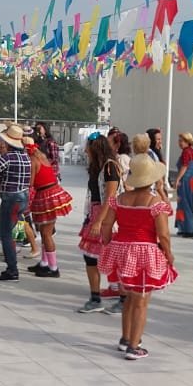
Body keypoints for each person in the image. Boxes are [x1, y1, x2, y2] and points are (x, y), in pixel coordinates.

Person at [97, 154, 177, 360]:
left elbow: (106, 224)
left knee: (129, 298)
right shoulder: (155, 202)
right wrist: (168, 254)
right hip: (144, 251)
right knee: (141, 300)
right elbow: (163, 234)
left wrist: (108, 244)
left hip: (122, 249)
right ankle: (134, 346)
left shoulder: (120, 199)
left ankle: (125, 339)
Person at [76, 133, 122, 314]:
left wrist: (99, 222)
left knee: (114, 257)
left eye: (88, 146)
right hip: (97, 213)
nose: (85, 149)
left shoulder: (110, 167)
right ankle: (96, 298)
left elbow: (110, 197)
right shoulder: (99, 167)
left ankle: (122, 298)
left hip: (107, 216)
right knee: (91, 257)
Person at [0, 125, 33, 281]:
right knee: (17, 224)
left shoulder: (8, 157)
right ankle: (17, 250)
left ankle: (12, 269)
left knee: (5, 233)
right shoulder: (26, 157)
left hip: (11, 198)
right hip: (23, 196)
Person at [27, 139, 74, 278]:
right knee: (44, 231)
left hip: (45, 195)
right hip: (52, 193)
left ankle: (53, 268)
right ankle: (44, 263)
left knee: (46, 233)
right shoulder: (42, 157)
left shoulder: (33, 161)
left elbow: (30, 183)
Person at [174, 132, 193, 239]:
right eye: (179, 141)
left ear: (188, 141)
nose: (180, 143)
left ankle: (190, 230)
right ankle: (183, 227)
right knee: (187, 204)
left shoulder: (186, 152)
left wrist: (177, 179)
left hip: (185, 181)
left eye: (182, 141)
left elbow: (184, 166)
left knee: (184, 203)